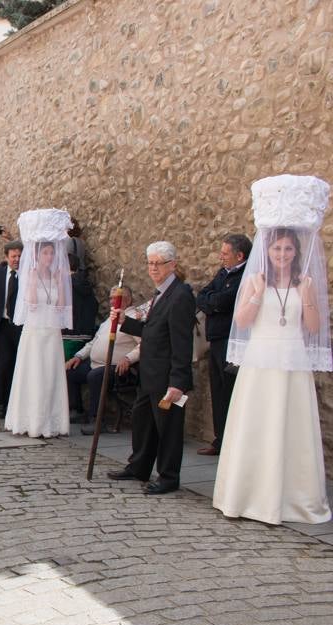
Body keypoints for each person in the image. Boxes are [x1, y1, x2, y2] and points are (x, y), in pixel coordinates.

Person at [214, 174, 332, 524]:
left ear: (296, 252)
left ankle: (291, 497)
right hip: (261, 360)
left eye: (288, 249)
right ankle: (249, 495)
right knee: (257, 425)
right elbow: (244, 321)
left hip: (292, 359)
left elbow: (312, 328)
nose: (282, 254)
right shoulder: (254, 279)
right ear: (268, 250)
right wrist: (257, 291)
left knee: (291, 427)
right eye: (276, 248)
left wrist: (309, 299)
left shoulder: (305, 282)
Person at [108, 241, 195, 494]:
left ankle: (168, 477)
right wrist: (125, 322)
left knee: (168, 428)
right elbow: (153, 332)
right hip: (149, 373)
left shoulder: (180, 295)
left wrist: (178, 382)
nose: (153, 268)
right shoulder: (159, 294)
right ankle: (139, 466)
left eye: (159, 264)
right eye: (150, 263)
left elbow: (181, 341)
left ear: (173, 265)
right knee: (143, 420)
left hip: (167, 375)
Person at [5, 210, 73, 437]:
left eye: (52, 253)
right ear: (38, 254)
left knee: (51, 376)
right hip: (35, 331)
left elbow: (61, 305)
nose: (50, 257)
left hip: (51, 332)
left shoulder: (56, 276)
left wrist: (60, 282)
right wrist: (34, 279)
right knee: (34, 375)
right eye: (45, 253)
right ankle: (31, 421)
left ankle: (51, 421)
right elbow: (31, 303)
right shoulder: (31, 275)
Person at [195, 233, 252, 456]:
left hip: (231, 340)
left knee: (230, 391)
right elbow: (203, 295)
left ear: (240, 255)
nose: (221, 256)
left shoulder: (244, 276)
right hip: (216, 340)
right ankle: (220, 440)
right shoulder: (224, 273)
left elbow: (224, 300)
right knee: (218, 392)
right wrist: (213, 302)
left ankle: (232, 443)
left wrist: (213, 303)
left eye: (226, 253)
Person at [66, 286, 141, 433]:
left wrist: (128, 358)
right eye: (111, 298)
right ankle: (76, 410)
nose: (113, 301)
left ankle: (97, 420)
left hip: (117, 369)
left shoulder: (132, 319)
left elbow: (143, 343)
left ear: (128, 300)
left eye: (117, 298)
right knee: (70, 371)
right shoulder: (109, 319)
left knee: (95, 377)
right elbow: (94, 342)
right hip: (96, 364)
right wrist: (78, 356)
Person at [0, 240, 23, 418]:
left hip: (20, 326)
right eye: (13, 256)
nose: (16, 259)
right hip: (2, 325)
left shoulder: (27, 275)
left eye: (19, 256)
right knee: (4, 363)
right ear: (6, 257)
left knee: (19, 364)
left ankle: (16, 402)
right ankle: (0, 402)